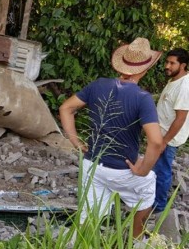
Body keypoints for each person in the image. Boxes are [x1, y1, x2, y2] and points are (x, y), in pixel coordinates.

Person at [59, 37, 164, 238]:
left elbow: (66, 108)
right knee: (148, 190)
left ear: (121, 64)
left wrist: (75, 141)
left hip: (92, 165)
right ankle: (134, 243)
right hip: (123, 170)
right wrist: (143, 169)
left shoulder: (98, 85)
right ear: (145, 69)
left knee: (88, 218)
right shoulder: (143, 98)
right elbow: (156, 142)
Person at [152, 48, 189, 214]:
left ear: (183, 65)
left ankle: (158, 207)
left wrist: (164, 141)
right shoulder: (174, 80)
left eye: (172, 63)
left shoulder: (184, 86)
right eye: (167, 62)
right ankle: (151, 200)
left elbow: (180, 118)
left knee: (162, 171)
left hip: (168, 138)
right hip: (161, 135)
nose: (167, 66)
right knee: (155, 168)